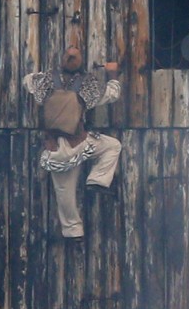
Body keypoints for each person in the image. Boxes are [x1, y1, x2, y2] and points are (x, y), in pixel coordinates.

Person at [24, 44, 122, 239]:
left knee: (64, 194)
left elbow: (26, 81)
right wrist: (113, 75)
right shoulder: (88, 83)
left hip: (55, 148)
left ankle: (73, 232)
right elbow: (112, 94)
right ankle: (98, 180)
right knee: (113, 146)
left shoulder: (44, 81)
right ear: (81, 63)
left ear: (62, 60)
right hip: (79, 143)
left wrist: (47, 74)